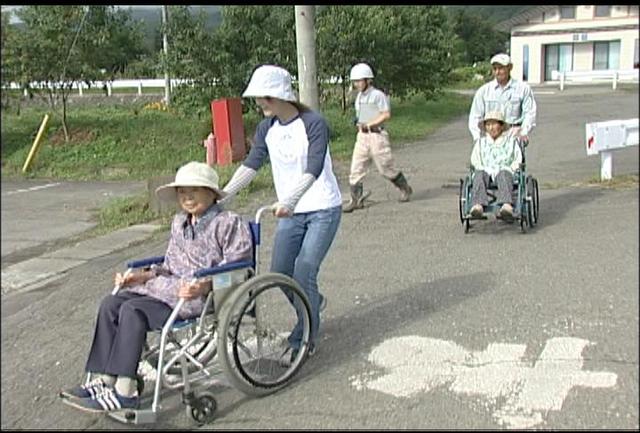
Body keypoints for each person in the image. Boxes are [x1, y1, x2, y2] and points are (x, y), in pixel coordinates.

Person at [59, 161, 253, 413]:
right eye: (182, 192)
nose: (187, 197)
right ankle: (105, 379)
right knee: (111, 303)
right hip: (168, 289)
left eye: (194, 190)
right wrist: (141, 277)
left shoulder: (228, 222)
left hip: (197, 296)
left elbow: (238, 267)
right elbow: (169, 264)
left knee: (132, 311)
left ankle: (125, 390)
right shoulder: (179, 223)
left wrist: (205, 286)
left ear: (212, 193)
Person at [220, 64, 342, 363]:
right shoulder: (267, 128)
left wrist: (289, 199)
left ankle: (304, 337)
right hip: (291, 212)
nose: (260, 104)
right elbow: (252, 163)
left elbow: (314, 167)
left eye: (265, 98)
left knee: (304, 271)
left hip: (322, 208)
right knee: (280, 273)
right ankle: (312, 303)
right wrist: (223, 195)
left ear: (280, 95)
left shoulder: (314, 123)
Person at [342, 62, 413, 213]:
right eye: (355, 81)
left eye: (359, 81)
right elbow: (361, 115)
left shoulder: (378, 95)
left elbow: (385, 114)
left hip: (377, 136)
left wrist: (370, 123)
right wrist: (359, 122)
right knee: (356, 168)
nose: (356, 84)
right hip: (362, 136)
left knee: (385, 168)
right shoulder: (359, 97)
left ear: (368, 80)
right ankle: (355, 199)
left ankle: (405, 188)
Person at [468, 53, 537, 144]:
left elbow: (529, 113)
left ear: (510, 68)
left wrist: (524, 132)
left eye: (500, 68)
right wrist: (477, 138)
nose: (497, 72)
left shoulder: (523, 89)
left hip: (514, 137)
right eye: (494, 69)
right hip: (491, 139)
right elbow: (475, 116)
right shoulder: (484, 91)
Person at [469, 111, 523, 220]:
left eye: (494, 124)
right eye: (488, 125)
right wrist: (482, 168)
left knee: (503, 174)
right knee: (479, 174)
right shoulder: (481, 143)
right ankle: (478, 205)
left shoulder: (511, 142)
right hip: (485, 170)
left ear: (501, 126)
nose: (491, 128)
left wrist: (512, 169)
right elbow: (475, 160)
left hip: (505, 170)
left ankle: (506, 205)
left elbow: (517, 159)